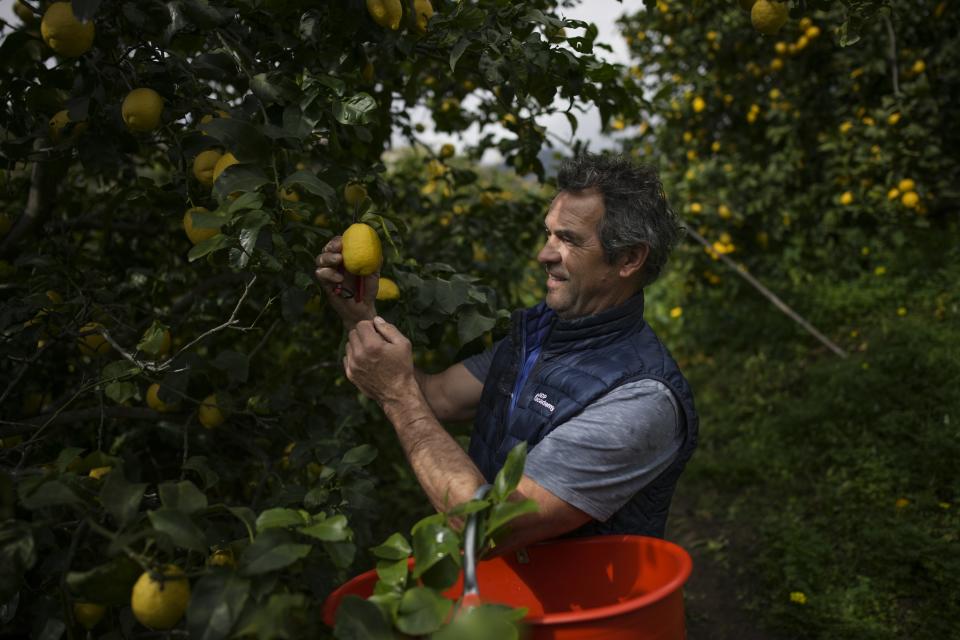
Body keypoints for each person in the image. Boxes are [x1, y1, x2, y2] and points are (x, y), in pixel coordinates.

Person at [314, 153, 698, 553]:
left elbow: (488, 525)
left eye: (568, 239)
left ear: (629, 258)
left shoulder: (640, 399)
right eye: (548, 234)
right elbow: (438, 398)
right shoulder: (539, 334)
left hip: (580, 613)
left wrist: (396, 395)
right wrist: (360, 315)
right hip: (502, 601)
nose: (544, 255)